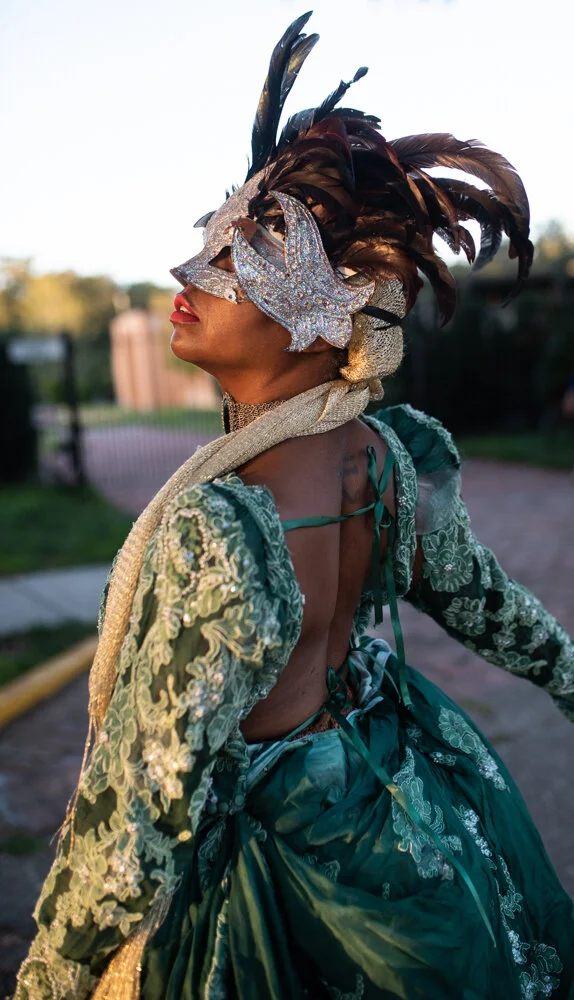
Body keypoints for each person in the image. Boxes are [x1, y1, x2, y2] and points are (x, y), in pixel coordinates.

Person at [15, 13, 574, 1000]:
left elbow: (133, 813)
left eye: (243, 259)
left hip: (284, 875)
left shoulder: (220, 531)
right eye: (211, 242)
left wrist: (50, 976)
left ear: (326, 325)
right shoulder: (384, 459)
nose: (190, 274)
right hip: (386, 790)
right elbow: (488, 606)